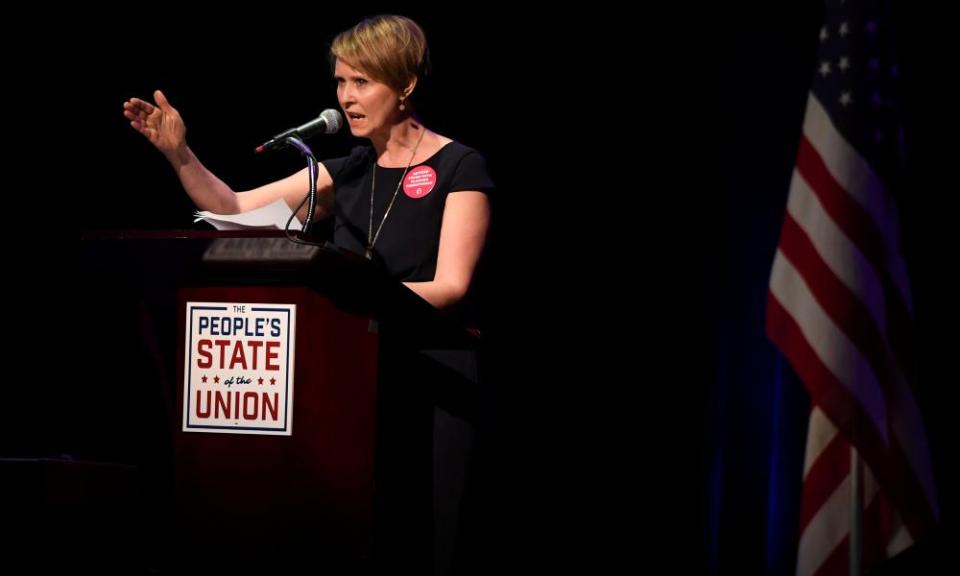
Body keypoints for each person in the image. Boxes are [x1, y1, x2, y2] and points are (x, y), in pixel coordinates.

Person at [123, 14, 493, 575]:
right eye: (341, 82)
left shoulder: (459, 166)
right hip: (354, 380)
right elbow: (233, 210)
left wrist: (355, 292)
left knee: (424, 543)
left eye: (362, 82)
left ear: (406, 85)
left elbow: (451, 285)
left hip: (432, 379)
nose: (346, 97)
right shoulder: (343, 172)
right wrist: (180, 153)